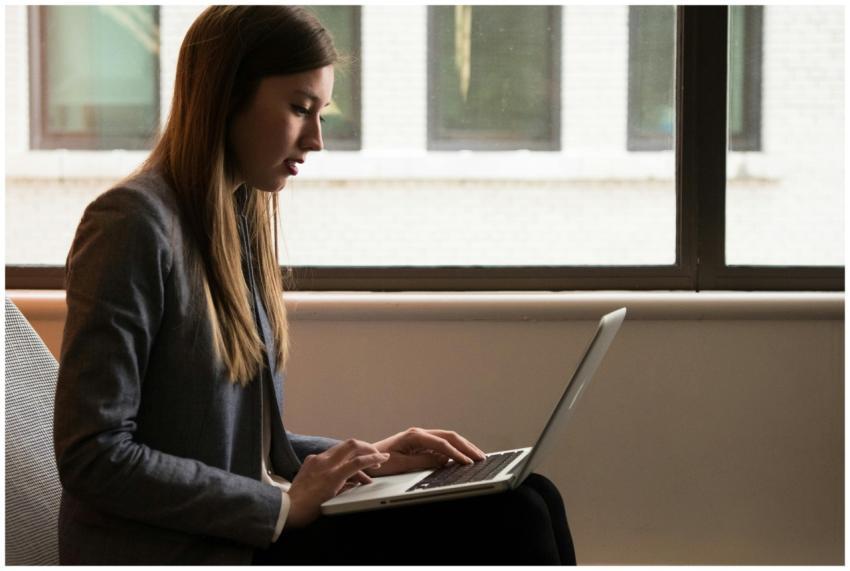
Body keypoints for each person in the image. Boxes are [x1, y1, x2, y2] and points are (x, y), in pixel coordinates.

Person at [53, 5, 577, 565]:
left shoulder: (237, 218)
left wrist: (369, 460)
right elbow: (94, 454)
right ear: (225, 97)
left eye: (322, 112)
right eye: (301, 109)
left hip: (237, 529)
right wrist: (281, 508)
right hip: (177, 548)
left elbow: (244, 453)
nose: (317, 140)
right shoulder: (130, 224)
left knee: (531, 492)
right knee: (513, 517)